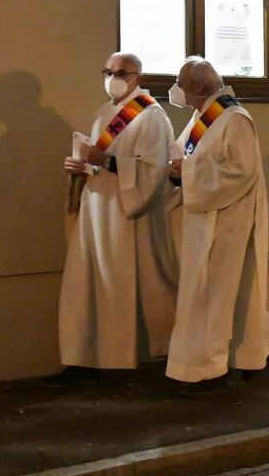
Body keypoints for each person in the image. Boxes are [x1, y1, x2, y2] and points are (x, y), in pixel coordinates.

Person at [46, 52, 178, 386]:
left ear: (138, 76)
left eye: (120, 72)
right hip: (97, 211)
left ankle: (121, 361)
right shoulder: (104, 112)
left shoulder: (151, 116)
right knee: (85, 285)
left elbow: (154, 171)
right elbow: (99, 162)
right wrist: (82, 167)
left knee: (121, 285)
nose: (112, 77)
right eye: (107, 71)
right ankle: (83, 358)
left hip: (127, 217)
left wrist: (104, 161)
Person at [165, 57, 269, 394]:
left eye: (181, 82)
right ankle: (241, 355)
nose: (175, 89)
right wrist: (179, 170)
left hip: (226, 223)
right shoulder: (203, 117)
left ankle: (209, 370)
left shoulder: (233, 118)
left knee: (212, 296)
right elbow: (189, 156)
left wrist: (186, 173)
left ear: (200, 88)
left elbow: (240, 171)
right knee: (212, 295)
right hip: (205, 219)